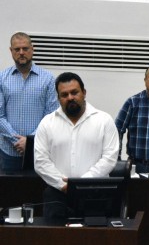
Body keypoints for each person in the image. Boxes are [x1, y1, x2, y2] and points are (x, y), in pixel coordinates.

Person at [34, 72, 119, 218]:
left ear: (84, 93)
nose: (70, 98)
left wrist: (82, 184)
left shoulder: (104, 120)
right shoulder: (47, 123)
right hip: (57, 194)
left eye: (74, 92)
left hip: (95, 193)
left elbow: (109, 158)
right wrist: (63, 185)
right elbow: (40, 161)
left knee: (95, 233)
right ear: (58, 98)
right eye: (64, 94)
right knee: (53, 233)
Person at [0, 32, 58, 172]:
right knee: (8, 187)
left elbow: (51, 115)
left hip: (38, 151)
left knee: (36, 187)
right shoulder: (2, 78)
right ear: (11, 51)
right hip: (8, 153)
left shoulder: (48, 79)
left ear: (32, 49)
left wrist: (30, 141)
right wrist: (17, 141)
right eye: (17, 49)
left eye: (25, 48)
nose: (21, 52)